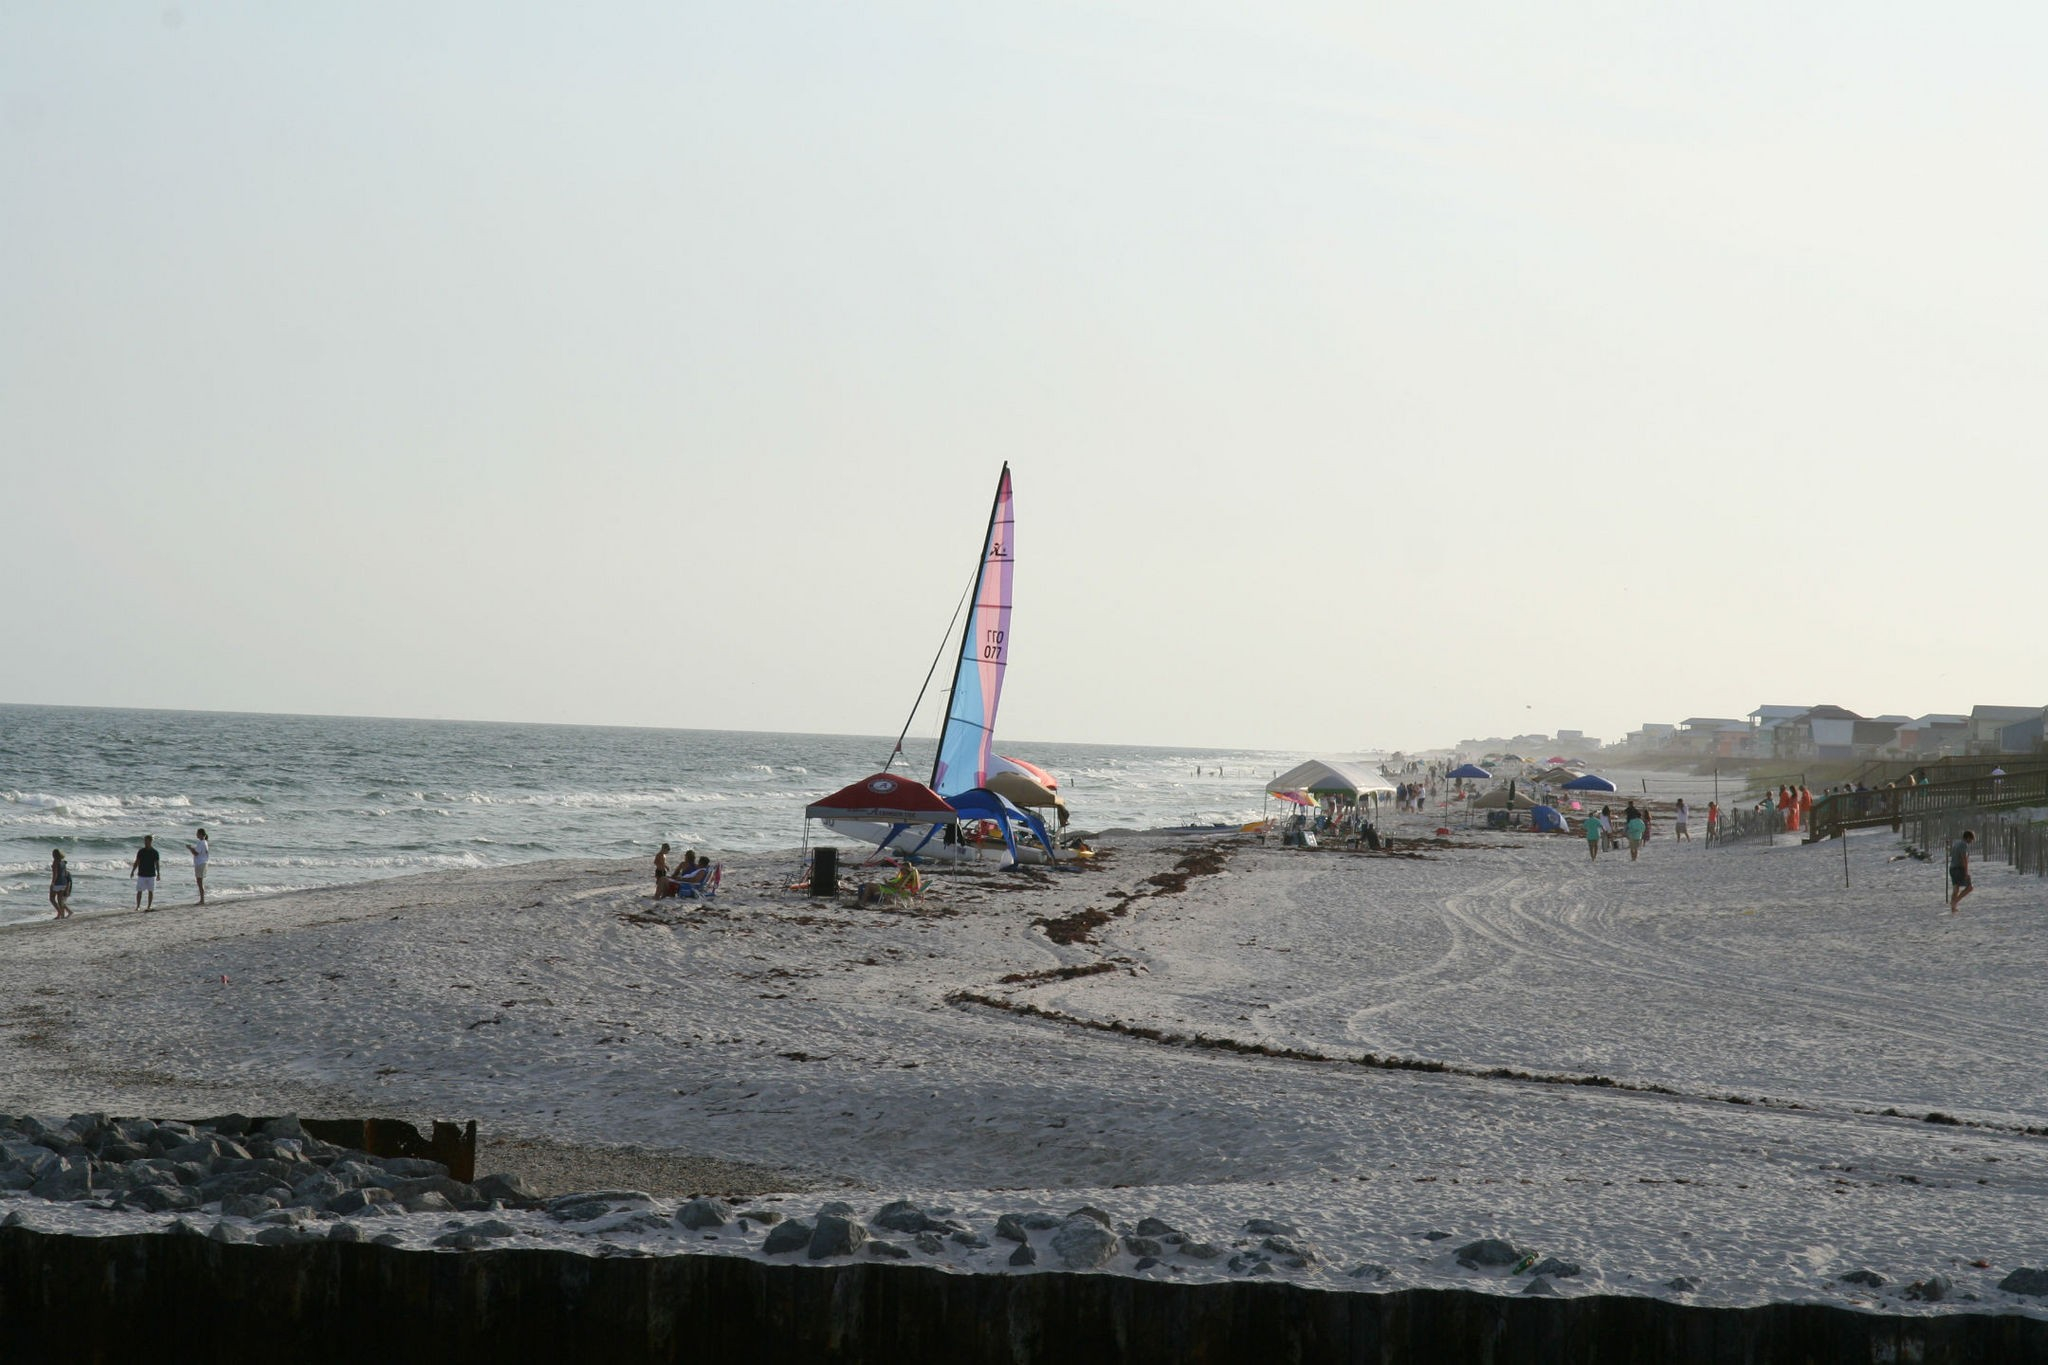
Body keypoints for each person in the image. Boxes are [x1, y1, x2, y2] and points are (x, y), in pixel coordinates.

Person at [129, 834, 162, 911]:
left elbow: (157, 864)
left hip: (151, 874)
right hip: (141, 874)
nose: (145, 842)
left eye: (147, 841)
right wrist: (133, 871)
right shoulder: (141, 851)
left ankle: (149, 906)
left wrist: (158, 874)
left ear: (150, 841)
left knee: (151, 891)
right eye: (144, 841)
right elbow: (137, 862)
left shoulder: (155, 852)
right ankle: (138, 906)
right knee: (139, 891)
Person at [1949, 830, 1975, 913]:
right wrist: (1966, 873)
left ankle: (1953, 908)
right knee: (1969, 887)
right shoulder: (1964, 844)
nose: (1971, 841)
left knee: (1956, 888)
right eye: (1971, 839)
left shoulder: (1956, 843)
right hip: (1959, 868)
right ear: (1967, 837)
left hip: (1952, 868)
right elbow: (1964, 858)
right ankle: (1955, 902)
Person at [185, 828, 210, 905]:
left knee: (199, 882)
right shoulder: (205, 842)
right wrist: (192, 848)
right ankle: (202, 899)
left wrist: (190, 848)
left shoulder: (201, 842)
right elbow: (198, 851)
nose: (196, 834)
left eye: (197, 833)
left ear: (201, 834)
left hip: (200, 863)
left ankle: (202, 900)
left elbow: (196, 853)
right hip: (203, 863)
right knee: (200, 882)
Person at [49, 849, 73, 919]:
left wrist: (52, 883)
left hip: (57, 882)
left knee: (52, 898)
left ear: (54, 855)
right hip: (63, 882)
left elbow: (55, 874)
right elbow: (65, 873)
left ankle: (60, 913)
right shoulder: (63, 862)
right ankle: (66, 912)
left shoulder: (55, 862)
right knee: (60, 900)